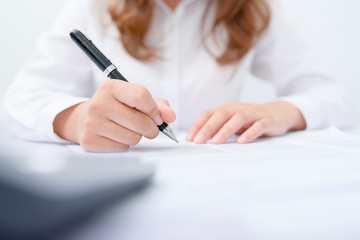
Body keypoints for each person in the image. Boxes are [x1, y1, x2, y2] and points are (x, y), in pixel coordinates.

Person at [2, 0, 354, 152]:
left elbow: (337, 99)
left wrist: (281, 112)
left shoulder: (250, 10)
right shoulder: (93, 7)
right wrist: (78, 121)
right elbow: (19, 100)